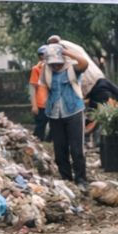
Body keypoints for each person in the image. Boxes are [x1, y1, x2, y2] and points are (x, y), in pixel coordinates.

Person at [39, 44, 89, 186]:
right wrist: (43, 103)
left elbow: (84, 63)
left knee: (77, 148)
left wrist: (67, 52)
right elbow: (42, 87)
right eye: (52, 64)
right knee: (59, 149)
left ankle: (80, 179)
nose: (55, 66)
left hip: (74, 111)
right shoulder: (46, 71)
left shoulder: (72, 68)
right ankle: (66, 178)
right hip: (54, 114)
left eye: (58, 63)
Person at [29, 46, 50, 141]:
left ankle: (50, 141)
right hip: (41, 103)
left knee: (55, 125)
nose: (43, 57)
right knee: (40, 125)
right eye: (41, 55)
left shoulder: (55, 67)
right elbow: (33, 87)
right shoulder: (36, 69)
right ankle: (37, 141)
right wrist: (34, 105)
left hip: (52, 102)